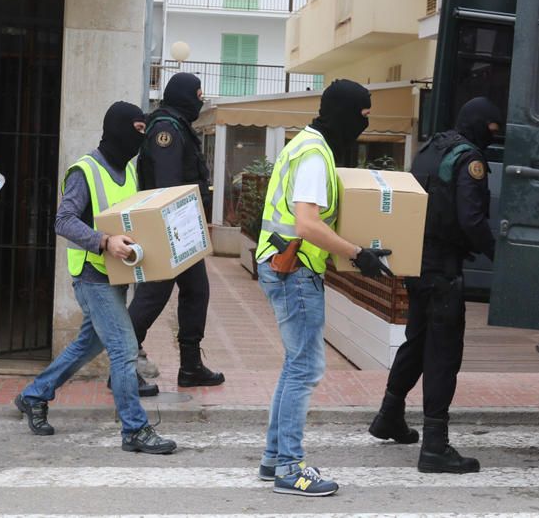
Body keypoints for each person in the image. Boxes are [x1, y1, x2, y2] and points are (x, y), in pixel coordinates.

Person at [255, 79, 394, 497]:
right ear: (345, 112)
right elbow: (307, 224)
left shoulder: (304, 143)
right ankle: (290, 468)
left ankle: (273, 458)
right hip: (294, 267)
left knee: (295, 364)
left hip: (282, 263)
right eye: (362, 115)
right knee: (306, 367)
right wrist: (357, 254)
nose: (363, 124)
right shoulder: (315, 154)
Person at [14, 101, 175, 455]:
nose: (140, 140)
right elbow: (63, 221)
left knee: (89, 344)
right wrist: (104, 242)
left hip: (115, 274)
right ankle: (134, 429)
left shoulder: (128, 170)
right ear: (117, 130)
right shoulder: (84, 171)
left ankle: (34, 395)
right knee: (124, 348)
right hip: (91, 274)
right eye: (135, 132)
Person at [368, 96, 501, 474]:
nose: (493, 137)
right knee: (443, 352)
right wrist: (499, 257)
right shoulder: (469, 159)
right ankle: (435, 447)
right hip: (443, 268)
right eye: (492, 129)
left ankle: (389, 416)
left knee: (419, 338)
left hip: (416, 261)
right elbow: (472, 220)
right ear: (480, 125)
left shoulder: (430, 148)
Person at [128, 72, 224, 387]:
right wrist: (176, 230)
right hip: (169, 228)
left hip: (182, 228)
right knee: (153, 295)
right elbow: (168, 185)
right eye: (198, 94)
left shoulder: (179, 125)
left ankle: (191, 367)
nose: (201, 99)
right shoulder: (166, 129)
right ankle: (123, 364)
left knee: (197, 291)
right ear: (183, 95)